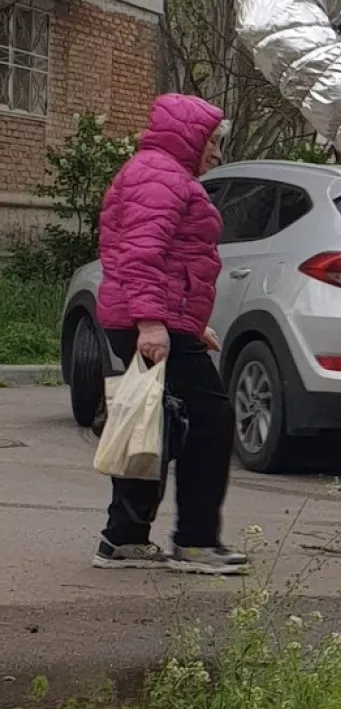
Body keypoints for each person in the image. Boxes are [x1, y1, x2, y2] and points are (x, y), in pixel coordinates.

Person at [91, 94, 247, 576]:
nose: (218, 154)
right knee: (210, 420)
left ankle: (124, 540)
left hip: (159, 320)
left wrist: (188, 323)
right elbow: (139, 254)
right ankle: (196, 542)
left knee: (154, 421)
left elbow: (167, 259)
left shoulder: (159, 174)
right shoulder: (157, 176)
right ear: (190, 137)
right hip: (150, 322)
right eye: (213, 143)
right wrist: (153, 323)